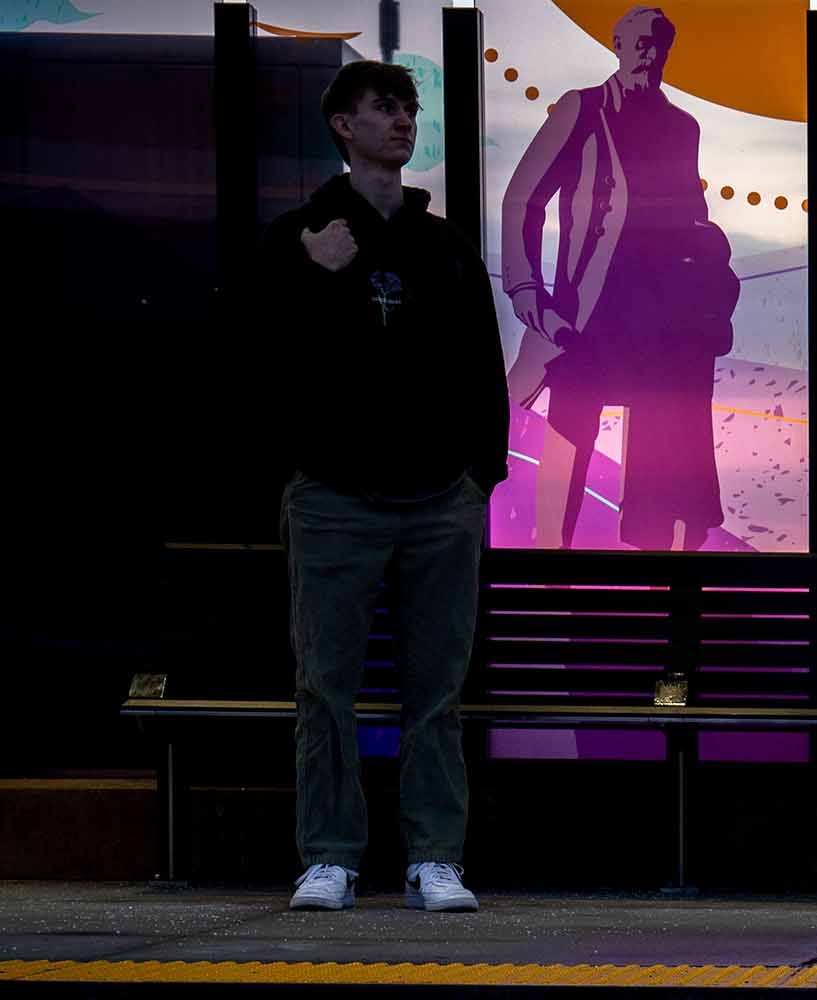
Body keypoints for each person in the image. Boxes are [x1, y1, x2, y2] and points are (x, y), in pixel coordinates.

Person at [258, 59, 507, 913]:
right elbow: (240, 336)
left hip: (439, 498)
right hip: (334, 495)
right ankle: (329, 853)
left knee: (436, 691)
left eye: (408, 108)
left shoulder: (441, 245)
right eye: (383, 108)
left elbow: (482, 362)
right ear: (342, 124)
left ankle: (436, 856)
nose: (401, 121)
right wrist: (305, 264)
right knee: (324, 685)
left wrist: (481, 476)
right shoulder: (302, 236)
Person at [501, 4, 738, 551]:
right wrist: (527, 289)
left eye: (656, 44)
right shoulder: (581, 109)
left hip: (658, 309)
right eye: (637, 42)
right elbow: (523, 199)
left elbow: (690, 210)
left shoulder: (682, 126)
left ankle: (650, 565)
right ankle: (549, 560)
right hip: (586, 304)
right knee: (571, 421)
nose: (646, 53)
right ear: (617, 44)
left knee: (658, 433)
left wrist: (706, 272)